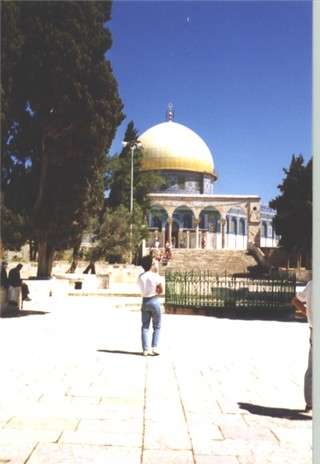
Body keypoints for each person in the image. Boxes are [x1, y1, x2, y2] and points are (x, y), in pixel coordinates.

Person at [291, 280, 313, 412]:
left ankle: (310, 403)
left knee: (312, 369)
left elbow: (295, 300)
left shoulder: (311, 285)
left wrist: (308, 314)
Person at [137, 255, 163, 356]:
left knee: (145, 326)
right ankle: (154, 347)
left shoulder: (140, 277)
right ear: (151, 265)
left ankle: (145, 349)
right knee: (157, 326)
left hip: (145, 301)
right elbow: (161, 290)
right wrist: (156, 290)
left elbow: (141, 288)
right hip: (154, 300)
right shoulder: (155, 275)